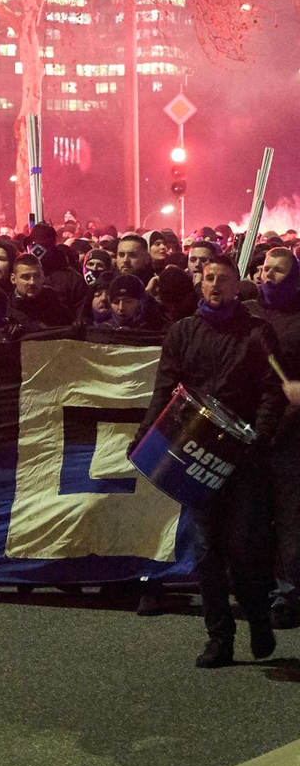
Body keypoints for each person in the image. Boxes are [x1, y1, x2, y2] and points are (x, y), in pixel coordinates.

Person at [132, 254, 287, 668]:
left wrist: (260, 436)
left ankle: (257, 619)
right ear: (200, 284)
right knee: (206, 550)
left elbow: (273, 390)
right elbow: (165, 389)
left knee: (243, 547)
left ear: (238, 288)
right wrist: (145, 435)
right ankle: (219, 637)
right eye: (208, 278)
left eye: (223, 279)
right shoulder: (183, 331)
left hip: (242, 458)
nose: (215, 284)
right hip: (196, 453)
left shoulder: (257, 332)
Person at [258, 246, 300, 629]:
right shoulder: (250, 313)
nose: (268, 276)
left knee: (289, 519)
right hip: (250, 430)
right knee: (253, 516)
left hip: (289, 434)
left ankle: (287, 593)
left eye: (279, 271)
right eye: (265, 268)